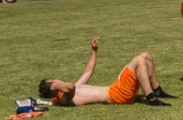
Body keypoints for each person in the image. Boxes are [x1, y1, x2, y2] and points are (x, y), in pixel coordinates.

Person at [38, 37, 174, 107]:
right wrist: (56, 85)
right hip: (116, 95)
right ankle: (151, 99)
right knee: (139, 60)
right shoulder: (63, 98)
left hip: (117, 92)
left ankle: (157, 91)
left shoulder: (66, 92)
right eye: (53, 81)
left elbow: (88, 71)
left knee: (145, 56)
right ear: (51, 84)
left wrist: (94, 51)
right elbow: (70, 87)